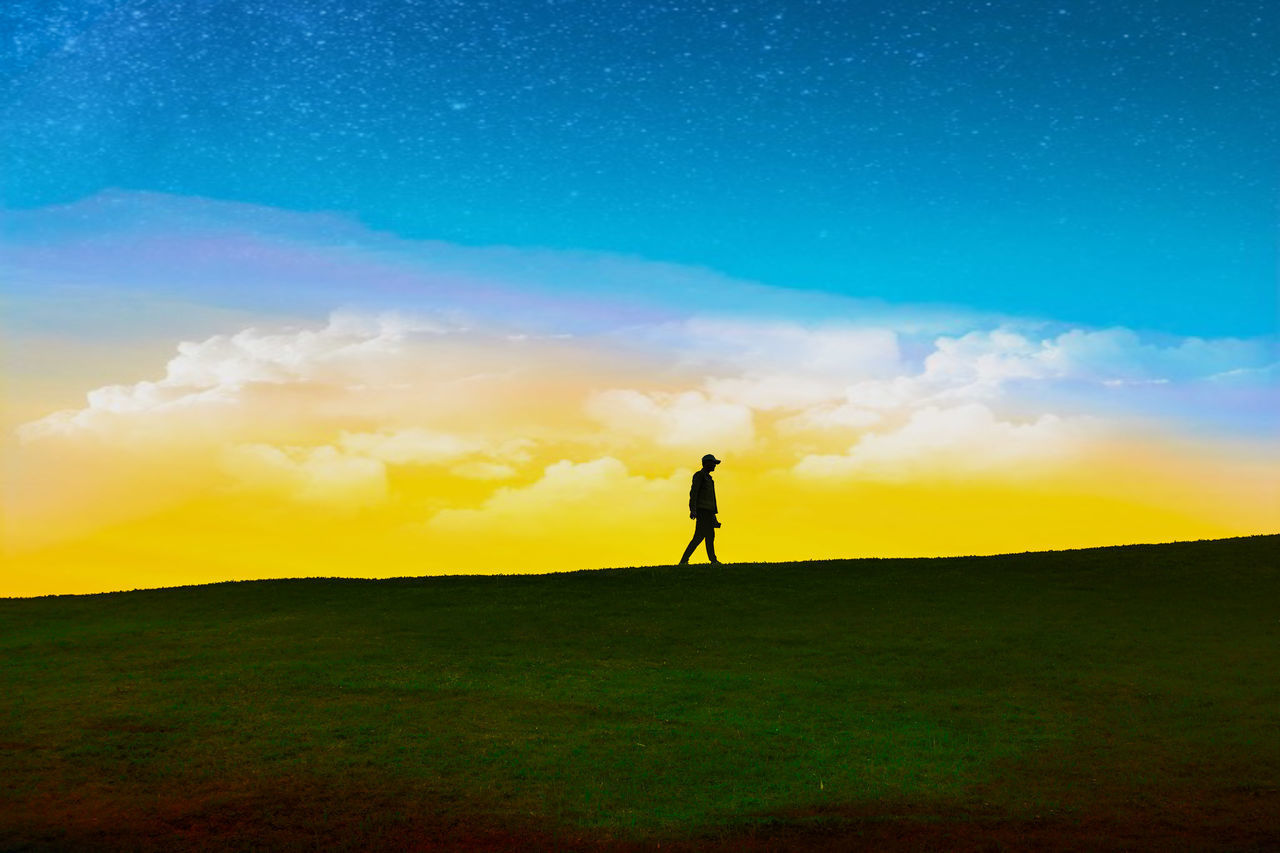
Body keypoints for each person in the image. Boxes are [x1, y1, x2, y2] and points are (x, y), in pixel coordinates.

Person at [678, 453, 722, 565]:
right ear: (707, 463)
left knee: (705, 536)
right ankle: (712, 560)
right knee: (702, 537)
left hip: (708, 512)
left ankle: (710, 560)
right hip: (702, 511)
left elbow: (711, 500)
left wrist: (714, 517)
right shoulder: (700, 476)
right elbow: (694, 493)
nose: (714, 466)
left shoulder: (709, 479)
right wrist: (693, 510)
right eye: (713, 463)